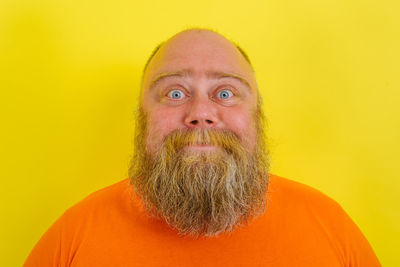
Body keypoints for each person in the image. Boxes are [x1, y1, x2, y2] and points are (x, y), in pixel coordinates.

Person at [24, 28, 381, 266]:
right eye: (175, 93)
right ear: (141, 118)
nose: (201, 114)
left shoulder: (331, 228)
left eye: (225, 93)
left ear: (258, 115)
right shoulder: (74, 237)